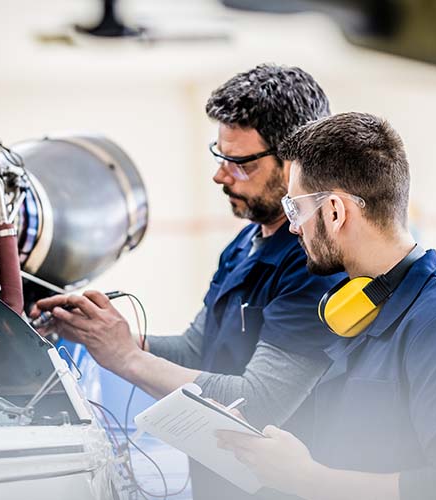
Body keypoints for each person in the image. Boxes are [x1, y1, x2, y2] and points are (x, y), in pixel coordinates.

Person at [30, 64, 345, 499]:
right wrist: (107, 336)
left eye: (239, 164)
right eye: (220, 157)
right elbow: (198, 349)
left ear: (295, 162)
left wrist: (127, 359)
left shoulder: (316, 263)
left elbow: (258, 401)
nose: (220, 176)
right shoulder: (245, 244)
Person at [217, 112, 436, 500]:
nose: (294, 227)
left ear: (334, 211)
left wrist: (307, 479)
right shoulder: (359, 312)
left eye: (295, 209)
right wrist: (264, 446)